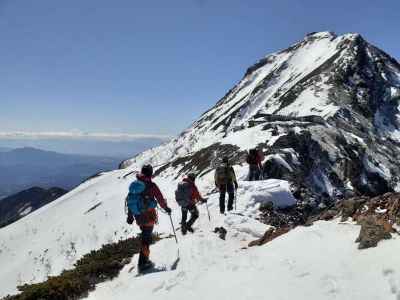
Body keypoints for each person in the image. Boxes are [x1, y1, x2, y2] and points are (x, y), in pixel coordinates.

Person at [126, 164, 172, 272]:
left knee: (145, 236)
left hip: (138, 215)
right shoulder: (152, 186)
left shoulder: (135, 185)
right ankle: (142, 263)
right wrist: (166, 208)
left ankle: (145, 260)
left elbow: (130, 200)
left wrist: (130, 216)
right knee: (146, 239)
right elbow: (160, 199)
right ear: (150, 173)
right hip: (148, 215)